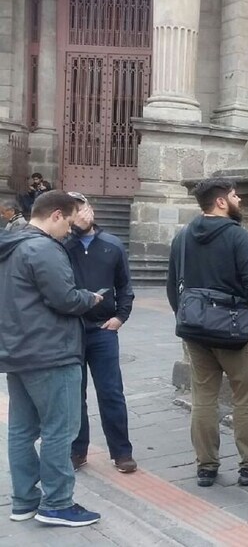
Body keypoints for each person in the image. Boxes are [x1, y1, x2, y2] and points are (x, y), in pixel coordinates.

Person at [166, 178, 248, 488]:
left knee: (204, 398)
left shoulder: (182, 237)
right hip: (236, 331)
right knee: (246, 398)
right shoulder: (238, 236)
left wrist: (190, 319)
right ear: (221, 202)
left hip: (195, 330)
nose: (240, 200)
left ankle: (206, 466)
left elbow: (172, 286)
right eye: (235, 196)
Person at [0, 191, 103, 526]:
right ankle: (57, 503)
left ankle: (24, 501)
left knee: (21, 430)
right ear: (57, 215)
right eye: (70, 224)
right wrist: (90, 298)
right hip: (50, 352)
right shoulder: (42, 248)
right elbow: (65, 299)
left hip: (18, 351)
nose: (69, 233)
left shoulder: (11, 244)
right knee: (61, 429)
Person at [64, 192, 137, 474]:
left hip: (103, 330)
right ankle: (77, 450)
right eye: (70, 210)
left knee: (111, 392)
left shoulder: (112, 245)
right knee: (74, 394)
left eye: (79, 208)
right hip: (71, 330)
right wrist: (71, 234)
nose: (76, 214)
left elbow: (125, 286)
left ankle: (122, 452)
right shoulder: (61, 245)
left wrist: (120, 316)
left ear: (89, 210)